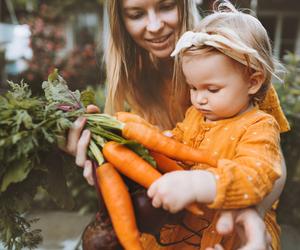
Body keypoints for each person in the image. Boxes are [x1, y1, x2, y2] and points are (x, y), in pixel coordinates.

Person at [65, 0, 289, 249]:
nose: (154, 26)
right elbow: (169, 145)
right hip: (180, 226)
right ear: (122, 21)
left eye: (166, 6)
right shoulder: (184, 107)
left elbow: (267, 168)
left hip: (230, 231)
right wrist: (114, 154)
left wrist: (210, 189)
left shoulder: (236, 58)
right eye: (137, 14)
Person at [145, 1, 285, 249]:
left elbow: (258, 175)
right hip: (184, 231)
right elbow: (176, 143)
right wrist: (156, 142)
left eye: (212, 89)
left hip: (229, 236)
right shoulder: (195, 115)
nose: (199, 98)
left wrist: (201, 183)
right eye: (193, 87)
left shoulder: (259, 126)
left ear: (253, 82)